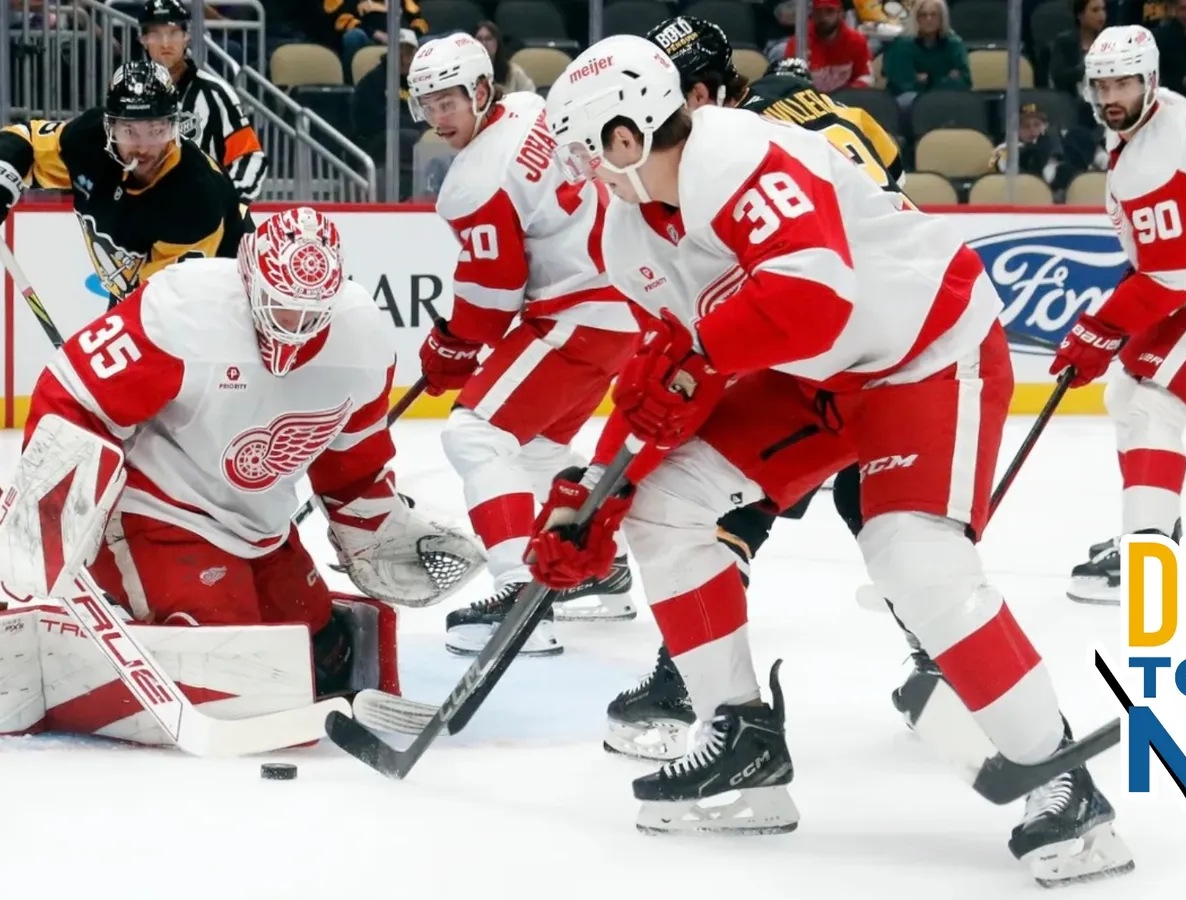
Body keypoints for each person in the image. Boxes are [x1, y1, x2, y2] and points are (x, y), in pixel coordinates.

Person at [532, 36, 1132, 885]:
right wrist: (591, 491)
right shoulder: (628, 231)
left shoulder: (734, 154)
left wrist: (698, 354)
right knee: (663, 501)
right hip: (816, 376)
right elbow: (665, 372)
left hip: (926, 354)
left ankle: (1065, 783)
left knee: (911, 556)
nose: (583, 172)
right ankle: (741, 740)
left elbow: (813, 302)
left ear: (626, 139)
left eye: (588, 151)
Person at [0, 208, 484, 744]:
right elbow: (75, 395)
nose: (294, 328)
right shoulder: (186, 308)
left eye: (310, 315)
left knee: (322, 657)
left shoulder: (363, 338)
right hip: (157, 509)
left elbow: (352, 465)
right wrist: (49, 520)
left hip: (259, 528)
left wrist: (379, 530)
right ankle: (97, 617)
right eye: (281, 307)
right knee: (238, 663)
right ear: (251, 278)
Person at [602, 15, 918, 764]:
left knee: (726, 501)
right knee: (877, 505)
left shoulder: (721, 154)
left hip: (819, 334)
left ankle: (692, 679)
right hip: (885, 323)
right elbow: (888, 189)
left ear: (702, 93)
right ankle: (937, 653)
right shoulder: (832, 114)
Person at [405, 33, 642, 657]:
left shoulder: (473, 180)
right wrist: (460, 339)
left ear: (482, 90)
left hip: (578, 313)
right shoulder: (531, 109)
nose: (437, 116)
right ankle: (595, 571)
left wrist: (452, 343)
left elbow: (493, 295)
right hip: (619, 305)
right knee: (537, 452)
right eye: (426, 103)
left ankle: (522, 593)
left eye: (449, 100)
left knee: (474, 435)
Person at [1053, 25, 1186, 605]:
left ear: (1151, 80)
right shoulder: (1162, 119)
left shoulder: (1155, 161)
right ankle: (1155, 523)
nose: (1112, 95)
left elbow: (1176, 274)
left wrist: (1101, 329)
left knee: (1153, 404)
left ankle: (1149, 555)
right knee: (1125, 394)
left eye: (1125, 83)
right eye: (1103, 83)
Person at [0, 60, 248, 307]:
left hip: (227, 300)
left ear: (173, 127)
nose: (143, 147)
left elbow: (162, 310)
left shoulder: (194, 197)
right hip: (145, 293)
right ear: (110, 128)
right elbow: (23, 140)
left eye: (155, 130)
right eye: (130, 130)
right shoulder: (89, 139)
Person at [138, 0, 269, 212]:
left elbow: (249, 157)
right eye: (155, 34)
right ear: (143, 39)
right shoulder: (125, 96)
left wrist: (230, 203)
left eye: (173, 33)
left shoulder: (215, 93)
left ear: (186, 37)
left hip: (206, 225)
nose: (165, 43)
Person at [882, 0, 972, 110]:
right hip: (909, 98)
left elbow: (965, 81)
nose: (928, 19)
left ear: (942, 18)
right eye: (923, 15)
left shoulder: (954, 43)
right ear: (917, 18)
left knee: (962, 102)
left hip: (945, 97)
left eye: (933, 15)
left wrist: (927, 80)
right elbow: (903, 84)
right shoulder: (902, 44)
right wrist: (945, 79)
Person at [783, 0, 874, 93]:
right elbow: (788, 81)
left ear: (840, 14)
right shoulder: (798, 43)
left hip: (845, 101)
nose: (823, 17)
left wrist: (849, 94)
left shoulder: (856, 41)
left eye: (829, 11)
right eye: (818, 11)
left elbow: (865, 76)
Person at [475, 20, 537, 94]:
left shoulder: (513, 72)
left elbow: (531, 95)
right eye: (479, 39)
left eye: (488, 39)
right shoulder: (465, 71)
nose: (484, 43)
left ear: (497, 43)